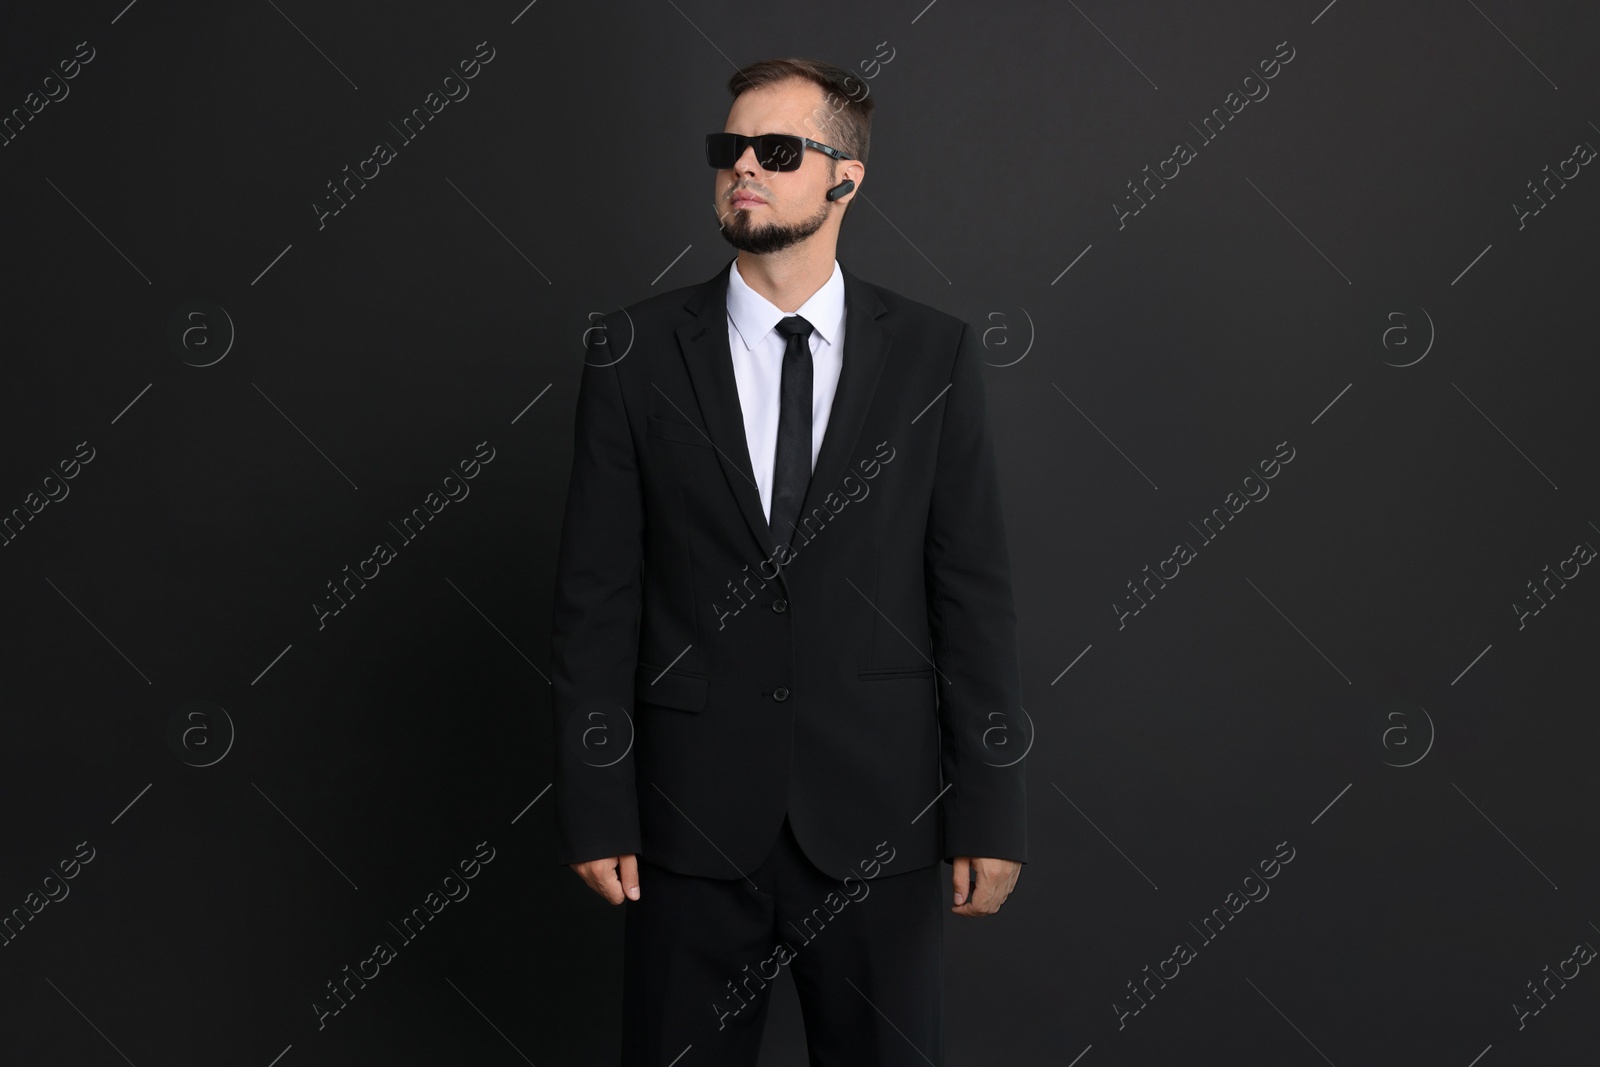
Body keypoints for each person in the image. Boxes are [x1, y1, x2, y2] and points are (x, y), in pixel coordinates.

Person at [551, 55, 1026, 1066]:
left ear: (845, 177)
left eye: (775, 151)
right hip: (684, 825)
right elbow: (596, 596)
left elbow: (970, 592)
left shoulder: (932, 355)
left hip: (878, 822)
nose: (743, 171)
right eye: (729, 150)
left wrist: (990, 803)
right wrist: (597, 798)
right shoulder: (630, 353)